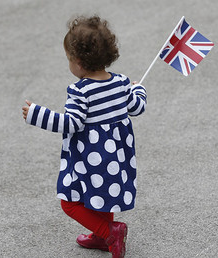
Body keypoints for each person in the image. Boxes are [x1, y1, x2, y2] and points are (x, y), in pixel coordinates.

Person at [22, 15, 147, 258]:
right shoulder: (121, 83)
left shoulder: (80, 91)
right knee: (105, 197)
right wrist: (137, 88)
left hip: (90, 159)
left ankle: (109, 232)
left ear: (78, 62)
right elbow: (137, 107)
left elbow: (71, 123)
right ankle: (103, 237)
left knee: (69, 203)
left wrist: (37, 114)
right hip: (116, 159)